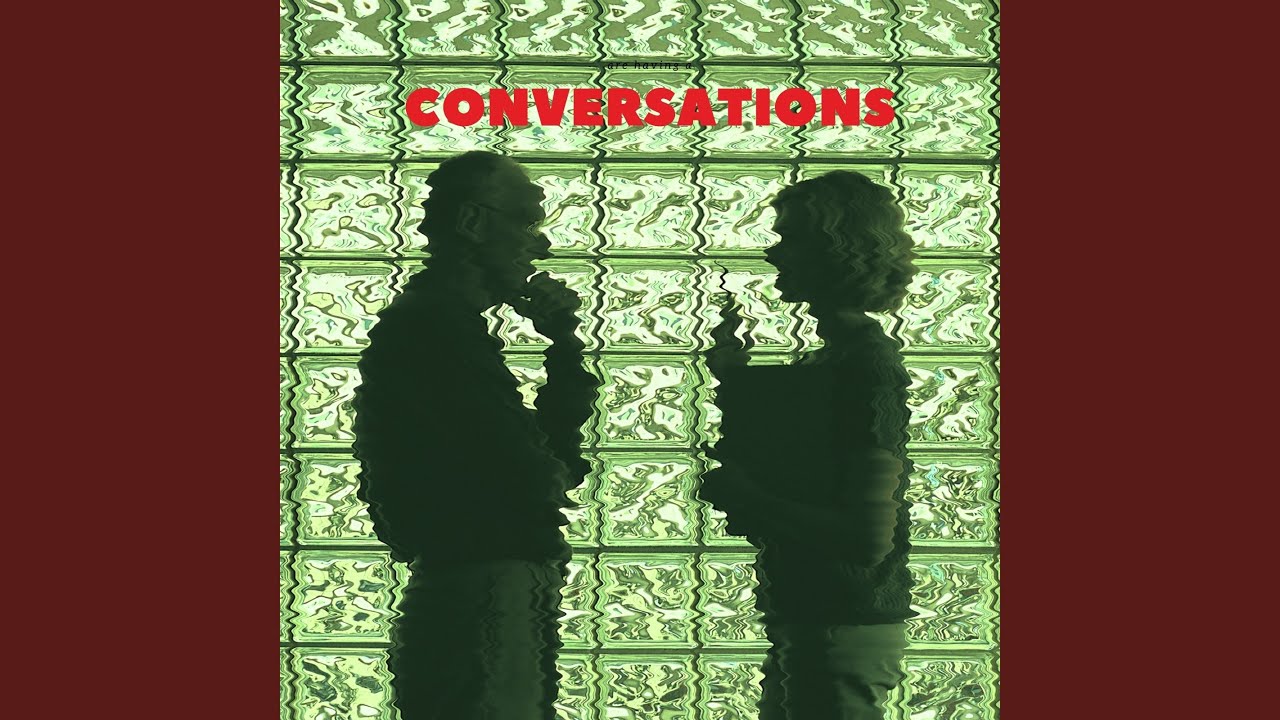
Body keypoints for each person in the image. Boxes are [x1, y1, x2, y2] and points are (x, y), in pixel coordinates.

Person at [351, 151, 598, 720]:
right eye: (526, 222)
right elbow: (537, 473)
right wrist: (564, 353)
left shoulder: (434, 326)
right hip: (484, 586)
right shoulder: (436, 332)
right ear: (472, 222)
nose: (540, 245)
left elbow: (540, 467)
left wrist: (563, 348)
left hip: (473, 580)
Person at [700, 171, 918, 720]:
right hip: (823, 622)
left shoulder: (865, 368)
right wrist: (736, 382)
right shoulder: (842, 361)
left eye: (790, 239)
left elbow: (866, 538)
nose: (774, 254)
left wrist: (747, 498)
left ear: (834, 249)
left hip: (838, 625)